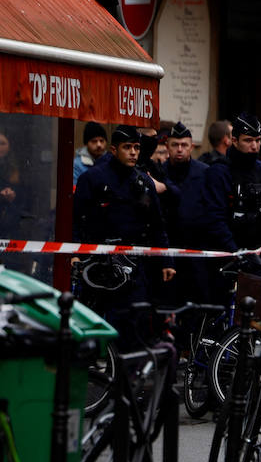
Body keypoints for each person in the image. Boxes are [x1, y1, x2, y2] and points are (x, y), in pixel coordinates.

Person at [73, 125, 174, 347]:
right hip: (98, 261)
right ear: (113, 149)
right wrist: (76, 253)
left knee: (134, 320)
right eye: (127, 147)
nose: (133, 152)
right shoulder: (93, 179)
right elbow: (77, 219)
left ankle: (128, 369)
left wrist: (166, 260)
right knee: (98, 319)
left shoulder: (143, 182)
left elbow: (158, 224)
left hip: (134, 264)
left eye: (136, 147)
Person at [161, 122, 220, 304]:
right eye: (175, 145)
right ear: (167, 147)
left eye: (184, 145)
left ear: (191, 147)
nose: (180, 149)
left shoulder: (205, 173)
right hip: (168, 248)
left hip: (197, 251)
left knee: (199, 303)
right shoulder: (159, 172)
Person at [204, 113, 261, 251]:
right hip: (230, 252)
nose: (254, 146)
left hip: (260, 249)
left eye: (258, 140)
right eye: (248, 140)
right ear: (234, 141)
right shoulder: (219, 171)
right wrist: (235, 252)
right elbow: (215, 218)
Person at [0, 131, 23, 238]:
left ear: (9, 146)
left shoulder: (16, 167)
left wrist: (12, 195)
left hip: (10, 223)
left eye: (2, 143)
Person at [73, 121, 108, 186]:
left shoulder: (110, 161)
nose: (99, 145)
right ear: (86, 143)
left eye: (101, 140)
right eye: (94, 141)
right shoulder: (77, 165)